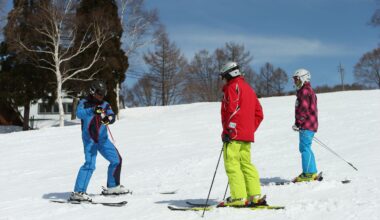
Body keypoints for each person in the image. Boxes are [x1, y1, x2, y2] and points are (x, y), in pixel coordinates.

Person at [217, 61, 265, 207]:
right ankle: (254, 195)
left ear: (229, 74)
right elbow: (259, 113)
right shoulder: (249, 89)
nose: (223, 80)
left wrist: (229, 130)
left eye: (223, 77)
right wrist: (248, 129)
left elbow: (231, 110)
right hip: (245, 136)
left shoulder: (233, 87)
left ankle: (238, 197)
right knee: (246, 164)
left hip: (234, 134)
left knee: (232, 164)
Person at [70, 80, 127, 202]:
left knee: (116, 160)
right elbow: (79, 114)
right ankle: (79, 192)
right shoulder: (84, 103)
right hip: (90, 141)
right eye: (99, 93)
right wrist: (92, 110)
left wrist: (108, 119)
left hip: (103, 140)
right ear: (92, 91)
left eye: (103, 94)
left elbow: (112, 115)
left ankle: (113, 187)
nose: (101, 96)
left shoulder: (105, 104)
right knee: (90, 165)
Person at [291, 69, 319, 182]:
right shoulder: (308, 90)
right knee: (306, 147)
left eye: (297, 80)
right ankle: (311, 171)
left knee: (304, 148)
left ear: (304, 78)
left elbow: (303, 109)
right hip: (310, 124)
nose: (295, 83)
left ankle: (308, 173)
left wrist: (298, 123)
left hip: (306, 124)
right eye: (294, 80)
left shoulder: (304, 91)